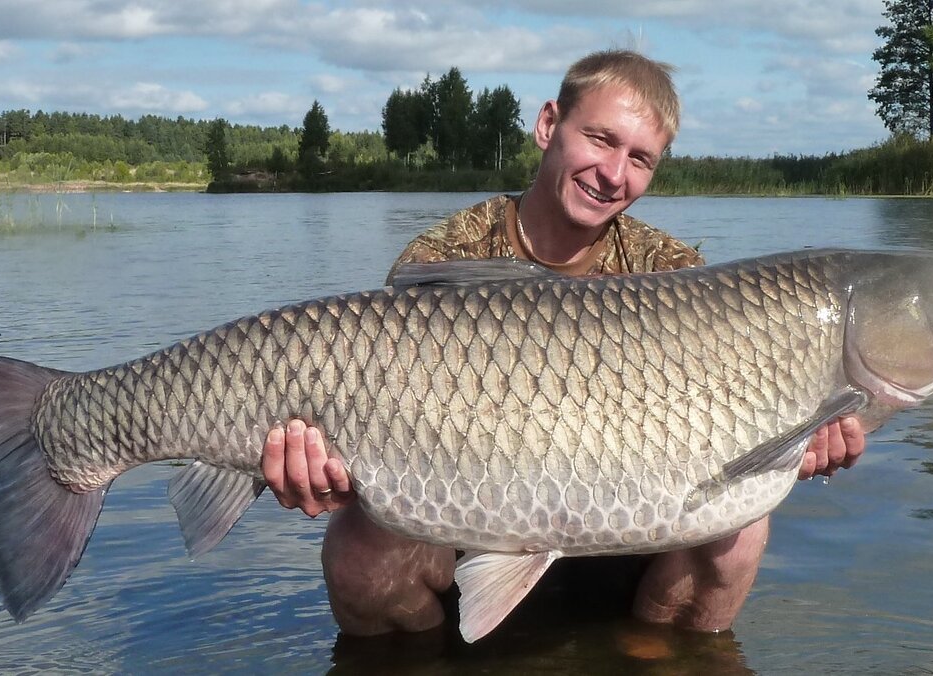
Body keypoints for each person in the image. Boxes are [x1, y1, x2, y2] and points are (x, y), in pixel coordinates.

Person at [261, 49, 866, 637]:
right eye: (601, 139)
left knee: (741, 533)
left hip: (629, 520)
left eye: (640, 159)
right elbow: (378, 422)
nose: (613, 174)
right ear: (548, 125)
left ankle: (657, 654)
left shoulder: (670, 272)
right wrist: (322, 470)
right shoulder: (445, 257)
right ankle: (422, 658)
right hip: (466, 511)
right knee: (358, 553)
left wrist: (803, 438)